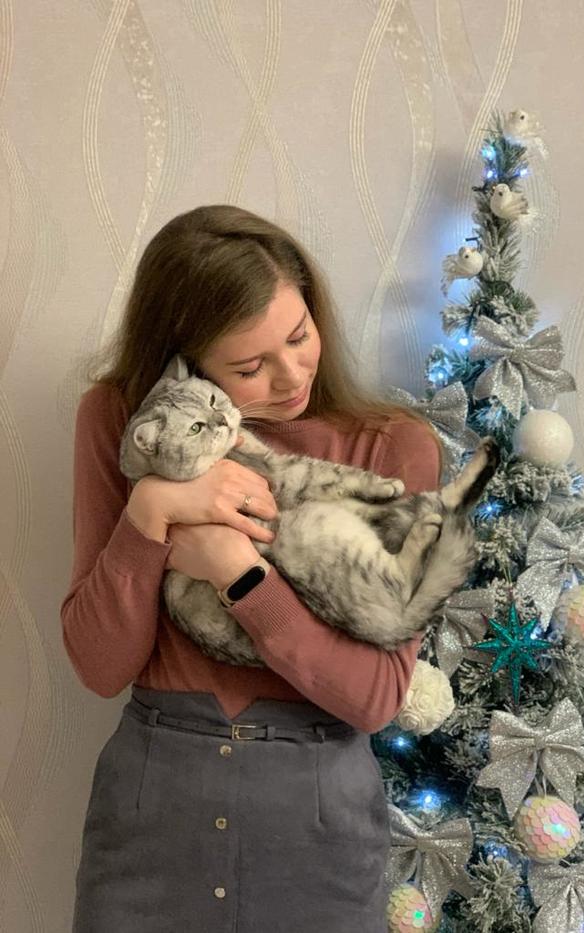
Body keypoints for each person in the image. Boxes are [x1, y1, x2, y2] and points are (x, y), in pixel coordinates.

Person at [61, 204, 444, 932]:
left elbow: (374, 697)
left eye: (298, 336)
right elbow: (99, 663)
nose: (291, 375)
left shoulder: (392, 450)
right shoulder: (128, 424)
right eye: (248, 367)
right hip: (152, 819)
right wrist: (150, 510)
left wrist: (240, 574)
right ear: (186, 363)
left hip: (318, 832)